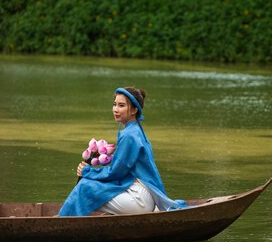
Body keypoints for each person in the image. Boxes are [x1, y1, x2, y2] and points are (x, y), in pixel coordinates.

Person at [58, 87, 185, 216]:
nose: (115, 109)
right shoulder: (135, 130)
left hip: (139, 199)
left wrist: (88, 171)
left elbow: (116, 172)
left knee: (85, 188)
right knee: (90, 185)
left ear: (134, 110)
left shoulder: (129, 135)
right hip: (143, 195)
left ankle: (61, 222)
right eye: (114, 104)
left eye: (121, 105)